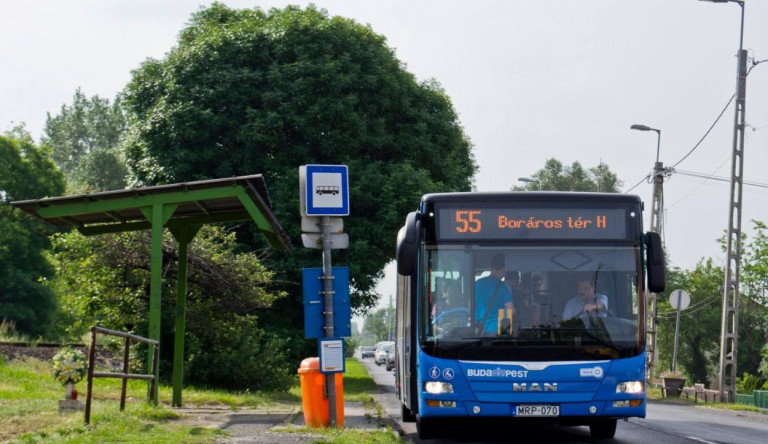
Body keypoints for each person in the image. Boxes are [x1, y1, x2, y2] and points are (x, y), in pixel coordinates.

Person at [475, 254, 515, 335]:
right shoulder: (503, 286)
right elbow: (510, 310)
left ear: (492, 267)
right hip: (498, 329)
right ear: (504, 268)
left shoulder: (477, 284)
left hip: (479, 328)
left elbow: (470, 305)